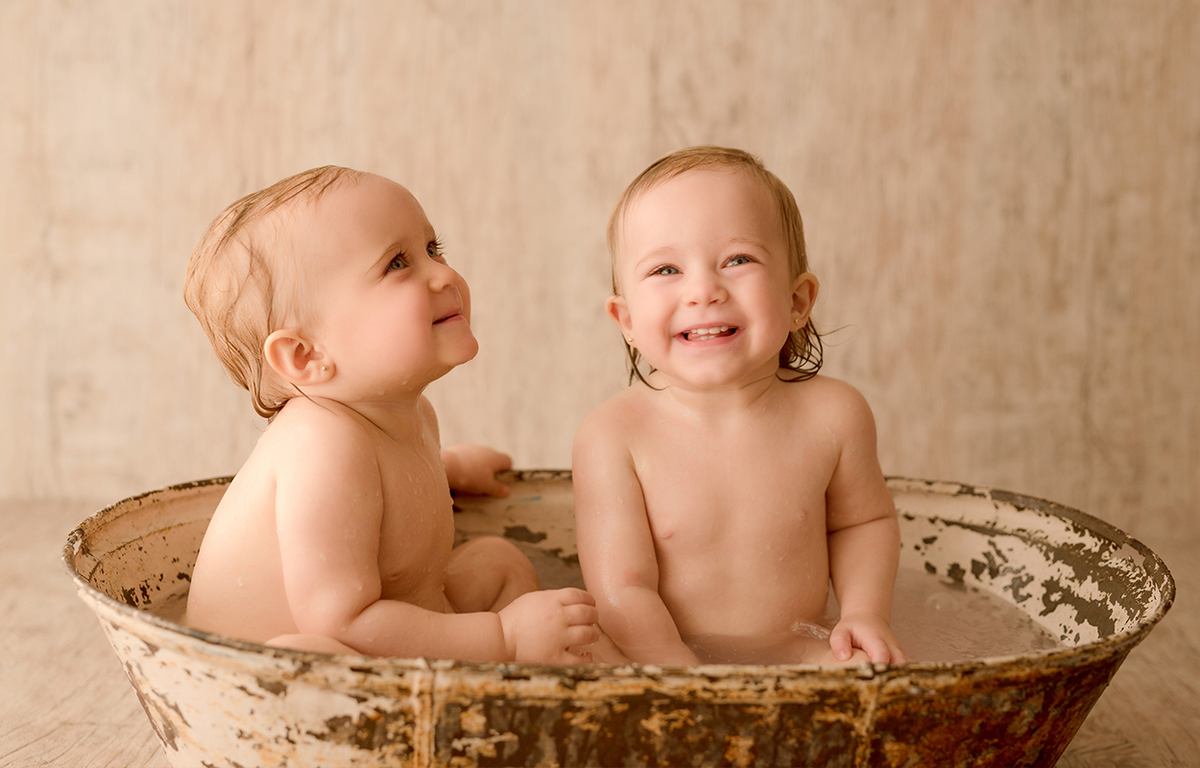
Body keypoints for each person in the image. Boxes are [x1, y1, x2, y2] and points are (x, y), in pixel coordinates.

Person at [183, 166, 598, 663]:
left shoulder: (410, 414)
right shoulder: (320, 444)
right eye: (397, 264)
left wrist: (447, 470)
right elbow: (344, 623)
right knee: (309, 655)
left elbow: (377, 498)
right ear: (306, 356)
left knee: (499, 561)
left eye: (432, 248)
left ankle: (521, 690)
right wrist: (502, 637)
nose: (444, 274)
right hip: (262, 669)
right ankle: (506, 662)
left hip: (396, 628)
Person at [572, 146, 907, 666]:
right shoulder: (614, 435)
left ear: (798, 301)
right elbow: (621, 589)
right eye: (665, 269)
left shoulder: (833, 415)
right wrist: (675, 670)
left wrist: (865, 614)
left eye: (738, 260)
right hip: (659, 654)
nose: (703, 290)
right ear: (627, 321)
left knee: (872, 674)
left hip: (799, 648)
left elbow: (862, 524)